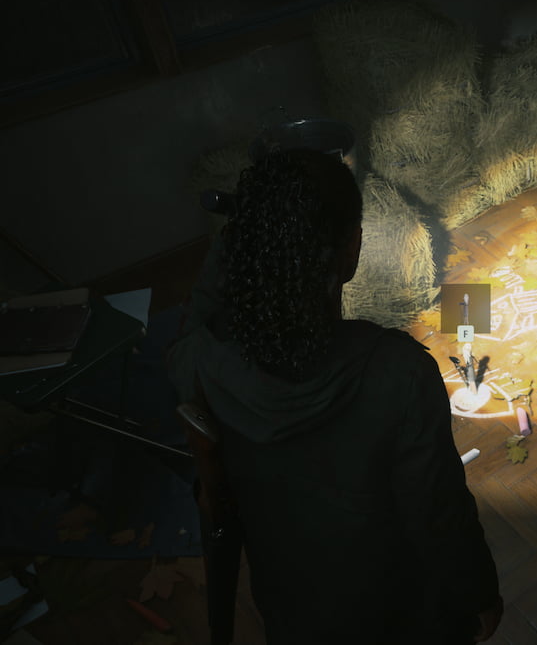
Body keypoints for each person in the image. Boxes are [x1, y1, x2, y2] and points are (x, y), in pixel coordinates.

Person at [166, 148, 502, 643]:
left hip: (289, 607)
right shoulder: (399, 372)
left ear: (240, 248)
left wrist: (242, 238)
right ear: (353, 249)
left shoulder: (201, 360)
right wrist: (480, 595)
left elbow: (193, 322)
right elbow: (439, 516)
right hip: (395, 615)